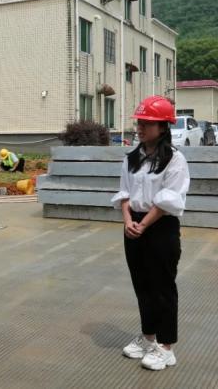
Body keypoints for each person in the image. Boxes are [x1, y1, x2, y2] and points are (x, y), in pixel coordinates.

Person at [111, 95, 189, 371]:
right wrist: (128, 221)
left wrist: (143, 225)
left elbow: (168, 200)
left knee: (162, 287)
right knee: (142, 285)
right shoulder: (132, 158)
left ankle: (166, 347)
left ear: (163, 126)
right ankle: (148, 338)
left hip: (161, 226)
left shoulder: (174, 160)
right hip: (133, 226)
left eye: (147, 123)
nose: (140, 128)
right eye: (139, 122)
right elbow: (124, 193)